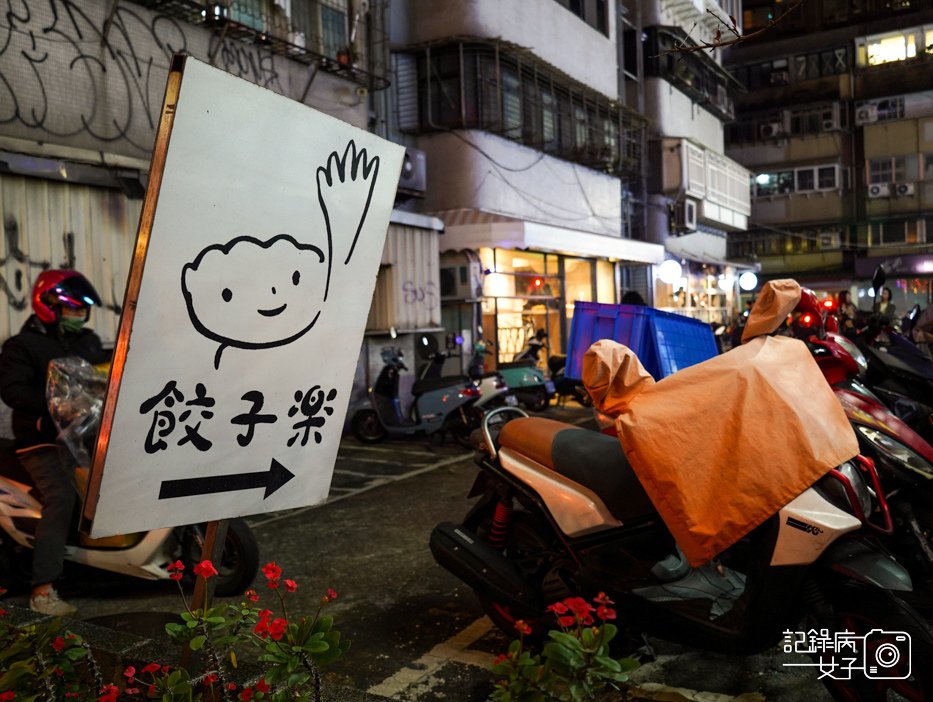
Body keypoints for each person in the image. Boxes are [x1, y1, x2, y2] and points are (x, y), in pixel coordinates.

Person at [0, 270, 109, 616]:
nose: (79, 317)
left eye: (82, 311)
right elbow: (12, 390)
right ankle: (43, 590)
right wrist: (54, 406)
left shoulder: (87, 342)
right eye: (72, 310)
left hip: (86, 434)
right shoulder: (22, 346)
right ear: (48, 306)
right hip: (41, 439)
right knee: (61, 496)